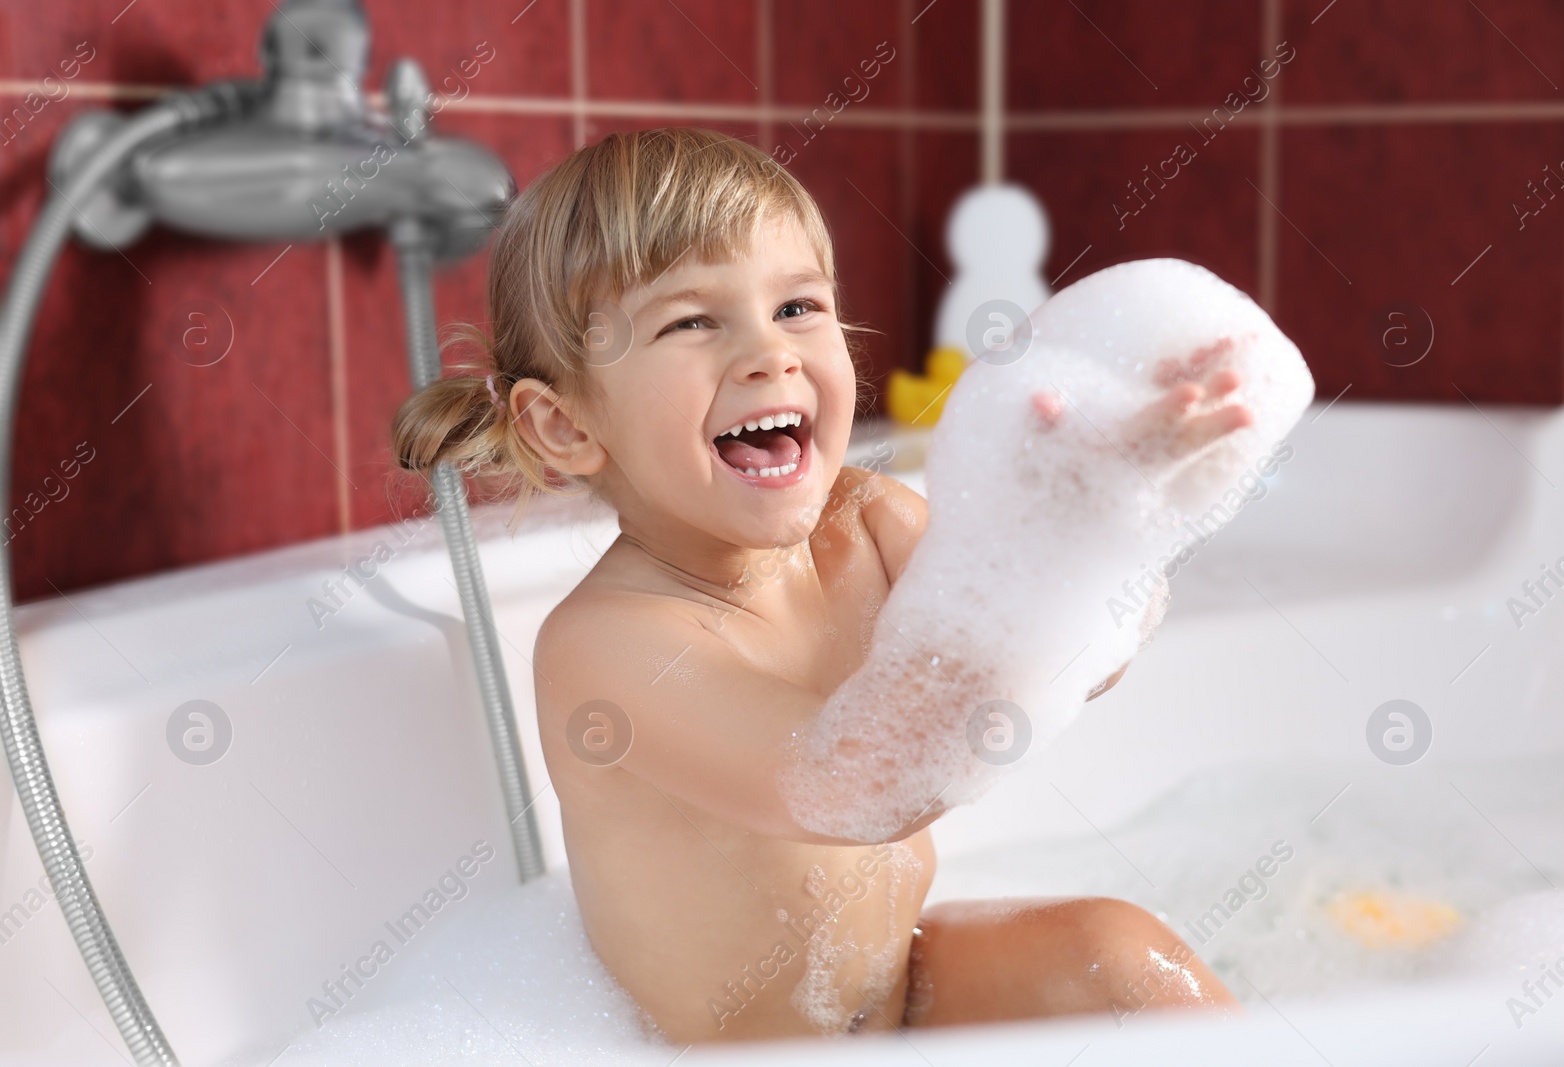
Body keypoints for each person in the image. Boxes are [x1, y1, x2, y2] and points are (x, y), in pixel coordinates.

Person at [392, 127, 1244, 1043]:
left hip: (901, 990)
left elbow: (1071, 654)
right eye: (692, 321)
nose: (771, 353)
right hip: (743, 1055)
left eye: (798, 306)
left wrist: (1093, 525)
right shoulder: (607, 646)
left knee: (1118, 954)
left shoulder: (866, 519)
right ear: (564, 426)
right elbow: (847, 783)